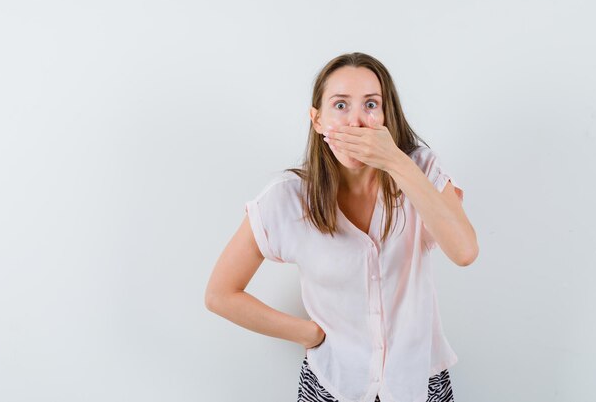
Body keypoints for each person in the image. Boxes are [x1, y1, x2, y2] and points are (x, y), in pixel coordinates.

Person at [204, 52, 478, 402]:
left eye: (370, 105)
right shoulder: (287, 199)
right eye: (340, 106)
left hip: (419, 381)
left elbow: (465, 251)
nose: (357, 121)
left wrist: (395, 160)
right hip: (332, 383)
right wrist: (308, 334)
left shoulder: (420, 170)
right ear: (317, 120)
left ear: (385, 116)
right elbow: (220, 294)